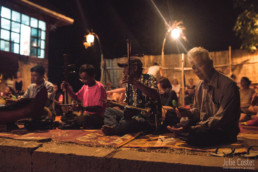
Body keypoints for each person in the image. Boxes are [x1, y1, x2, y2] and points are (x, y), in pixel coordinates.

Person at [167, 47, 240, 147]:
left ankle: (186, 133)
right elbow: (198, 112)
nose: (196, 70)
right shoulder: (200, 85)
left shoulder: (228, 85)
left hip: (223, 130)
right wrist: (187, 113)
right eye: (193, 67)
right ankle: (184, 132)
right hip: (205, 126)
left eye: (200, 65)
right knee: (170, 115)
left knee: (194, 136)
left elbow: (222, 119)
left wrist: (195, 128)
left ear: (210, 63)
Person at [102, 58, 161, 136]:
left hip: (147, 118)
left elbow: (155, 95)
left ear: (135, 68)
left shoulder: (149, 78)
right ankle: (115, 127)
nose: (123, 71)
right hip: (133, 116)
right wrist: (115, 104)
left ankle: (116, 129)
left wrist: (135, 83)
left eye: (126, 68)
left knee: (125, 123)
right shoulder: (129, 84)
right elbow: (127, 104)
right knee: (109, 111)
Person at [61, 64, 107, 129]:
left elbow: (98, 108)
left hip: (97, 117)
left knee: (84, 118)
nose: (83, 81)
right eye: (81, 79)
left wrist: (83, 108)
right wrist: (68, 89)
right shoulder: (85, 86)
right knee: (66, 116)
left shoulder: (99, 87)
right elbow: (76, 98)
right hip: (86, 115)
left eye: (85, 78)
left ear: (93, 76)